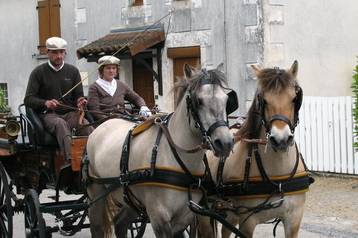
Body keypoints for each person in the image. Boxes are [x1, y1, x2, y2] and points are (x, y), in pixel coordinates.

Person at [24, 36, 93, 163]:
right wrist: (46, 103)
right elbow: (28, 99)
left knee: (86, 126)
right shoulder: (38, 72)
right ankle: (71, 162)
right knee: (60, 124)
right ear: (47, 53)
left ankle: (94, 160)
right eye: (55, 52)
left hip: (70, 114)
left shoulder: (73, 71)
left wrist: (80, 101)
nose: (59, 56)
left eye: (62, 52)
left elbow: (79, 95)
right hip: (48, 116)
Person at [87, 55, 152, 121]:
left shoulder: (121, 85)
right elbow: (95, 111)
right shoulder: (94, 87)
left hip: (123, 119)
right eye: (108, 68)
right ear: (101, 70)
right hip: (103, 123)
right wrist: (109, 121)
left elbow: (136, 98)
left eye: (114, 68)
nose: (111, 71)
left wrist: (143, 106)